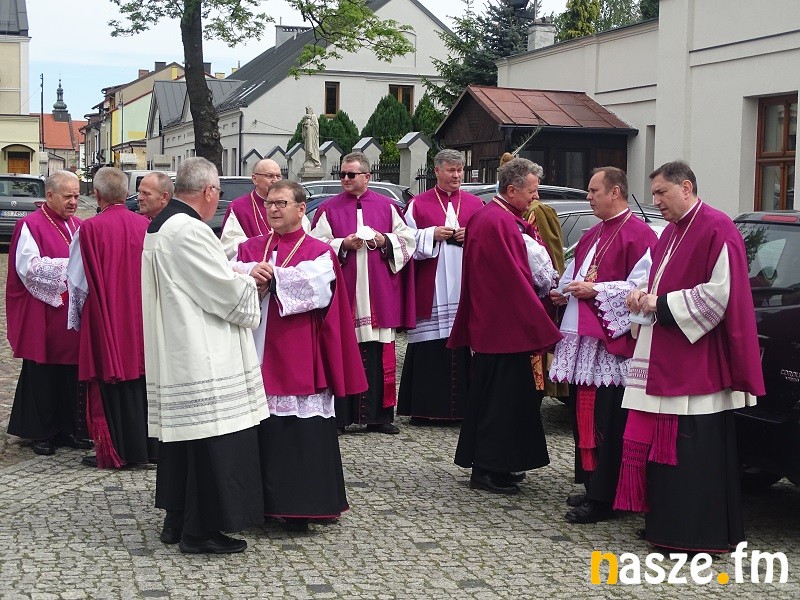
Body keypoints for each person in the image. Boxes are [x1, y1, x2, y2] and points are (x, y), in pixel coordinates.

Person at [615, 160, 765, 553]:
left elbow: (720, 293)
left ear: (686, 187)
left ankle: (694, 533)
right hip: (663, 348)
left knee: (693, 451)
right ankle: (664, 525)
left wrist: (661, 304)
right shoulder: (669, 232)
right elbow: (656, 278)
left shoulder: (717, 228)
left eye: (662, 193)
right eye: (654, 195)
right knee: (660, 448)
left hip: (697, 361)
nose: (656, 201)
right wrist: (641, 294)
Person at [141, 157, 270, 554]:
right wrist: (253, 284)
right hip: (202, 351)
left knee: (184, 443)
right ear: (210, 191)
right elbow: (221, 291)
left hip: (177, 346)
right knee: (210, 439)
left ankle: (177, 519)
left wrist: (235, 276)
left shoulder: (162, 226)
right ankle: (200, 532)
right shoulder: (190, 230)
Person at [236, 180, 367, 531]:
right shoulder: (250, 247)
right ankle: (260, 506)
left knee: (297, 431)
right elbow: (225, 271)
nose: (274, 209)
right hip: (254, 349)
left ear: (299, 208)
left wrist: (272, 277)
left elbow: (316, 287)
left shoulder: (318, 250)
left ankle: (300, 508)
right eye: (269, 203)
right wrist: (248, 271)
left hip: (297, 351)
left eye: (281, 203)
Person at [549, 167, 657, 523]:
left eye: (594, 191)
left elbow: (641, 289)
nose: (588, 197)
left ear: (615, 192)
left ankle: (607, 496)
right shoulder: (593, 233)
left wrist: (594, 290)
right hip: (584, 339)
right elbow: (575, 273)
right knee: (584, 414)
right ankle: (592, 483)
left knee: (607, 420)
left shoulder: (640, 235)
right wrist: (563, 290)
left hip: (611, 346)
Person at [449, 158, 561, 494]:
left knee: (507, 401)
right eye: (532, 191)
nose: (535, 197)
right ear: (512, 190)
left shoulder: (498, 217)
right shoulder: (497, 221)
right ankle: (486, 470)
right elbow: (515, 279)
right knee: (497, 403)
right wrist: (540, 314)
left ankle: (501, 464)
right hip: (501, 329)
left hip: (500, 327)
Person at [310, 151, 416, 435]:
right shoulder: (329, 209)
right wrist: (342, 244)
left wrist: (385, 240)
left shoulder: (387, 206)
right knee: (344, 352)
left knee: (380, 355)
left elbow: (408, 240)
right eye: (342, 174)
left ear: (367, 177)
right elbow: (315, 246)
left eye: (351, 174)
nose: (345, 179)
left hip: (379, 293)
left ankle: (379, 417)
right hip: (346, 293)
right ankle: (341, 418)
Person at [66, 167, 155, 469]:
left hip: (106, 316)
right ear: (126, 193)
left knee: (110, 379)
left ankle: (115, 450)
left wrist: (78, 318)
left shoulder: (89, 229)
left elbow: (77, 281)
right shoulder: (145, 225)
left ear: (97, 194)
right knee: (141, 379)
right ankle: (146, 449)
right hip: (141, 317)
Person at [6, 170, 92, 456]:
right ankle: (40, 432)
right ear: (50, 195)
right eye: (68, 196)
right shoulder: (30, 225)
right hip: (43, 312)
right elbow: (29, 268)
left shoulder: (79, 225)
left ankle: (69, 429)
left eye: (76, 196)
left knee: (71, 373)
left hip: (72, 314)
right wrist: (70, 268)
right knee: (42, 373)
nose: (73, 202)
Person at [398, 149, 483, 423]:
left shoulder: (475, 204)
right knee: (430, 346)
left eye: (460, 170)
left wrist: (471, 235)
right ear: (436, 171)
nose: (456, 176)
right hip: (431, 285)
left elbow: (488, 239)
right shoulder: (418, 204)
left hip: (464, 283)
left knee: (463, 346)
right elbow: (402, 240)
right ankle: (426, 410)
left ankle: (464, 410)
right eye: (450, 170)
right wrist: (430, 234)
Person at [219, 159, 281, 259]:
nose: (275, 180)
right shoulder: (239, 207)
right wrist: (262, 244)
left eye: (278, 176)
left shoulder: (290, 204)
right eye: (269, 176)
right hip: (255, 266)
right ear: (255, 179)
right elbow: (229, 246)